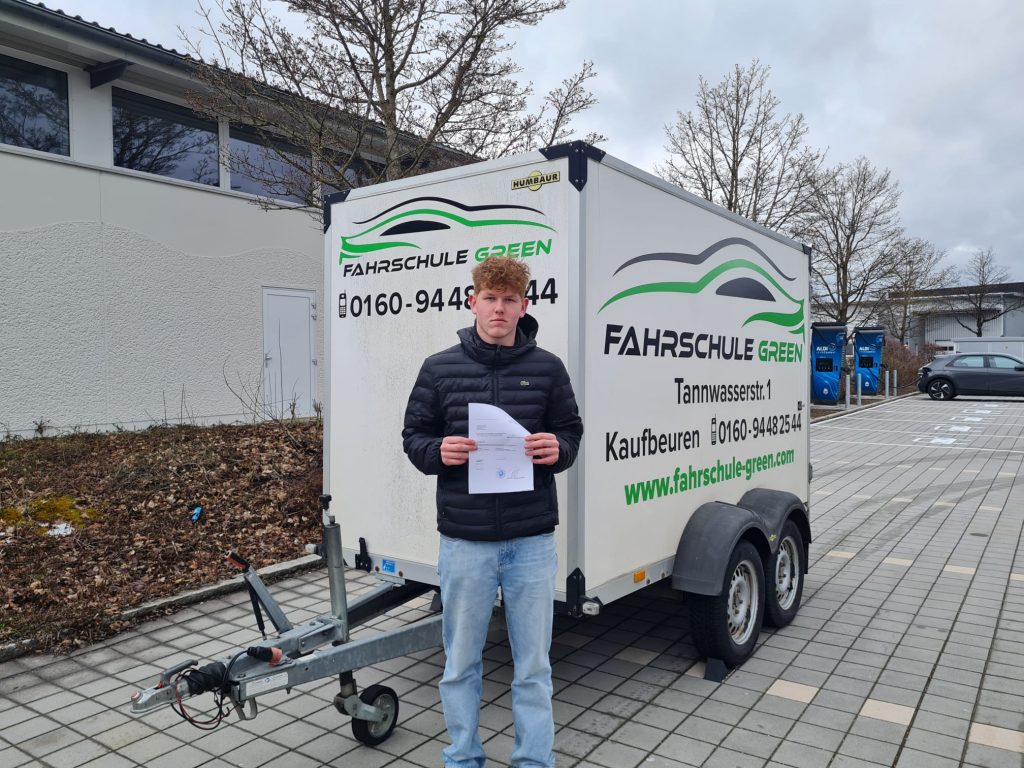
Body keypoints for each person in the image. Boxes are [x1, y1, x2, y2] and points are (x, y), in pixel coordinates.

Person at [403, 256, 584, 768]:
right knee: (460, 663)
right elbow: (414, 437)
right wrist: (438, 452)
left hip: (531, 540)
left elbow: (571, 432)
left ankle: (534, 761)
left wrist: (558, 449)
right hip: (465, 541)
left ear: (524, 306)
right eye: (490, 298)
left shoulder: (547, 368)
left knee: (534, 667)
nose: (499, 309)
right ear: (472, 302)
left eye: (509, 300)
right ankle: (463, 758)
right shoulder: (439, 368)